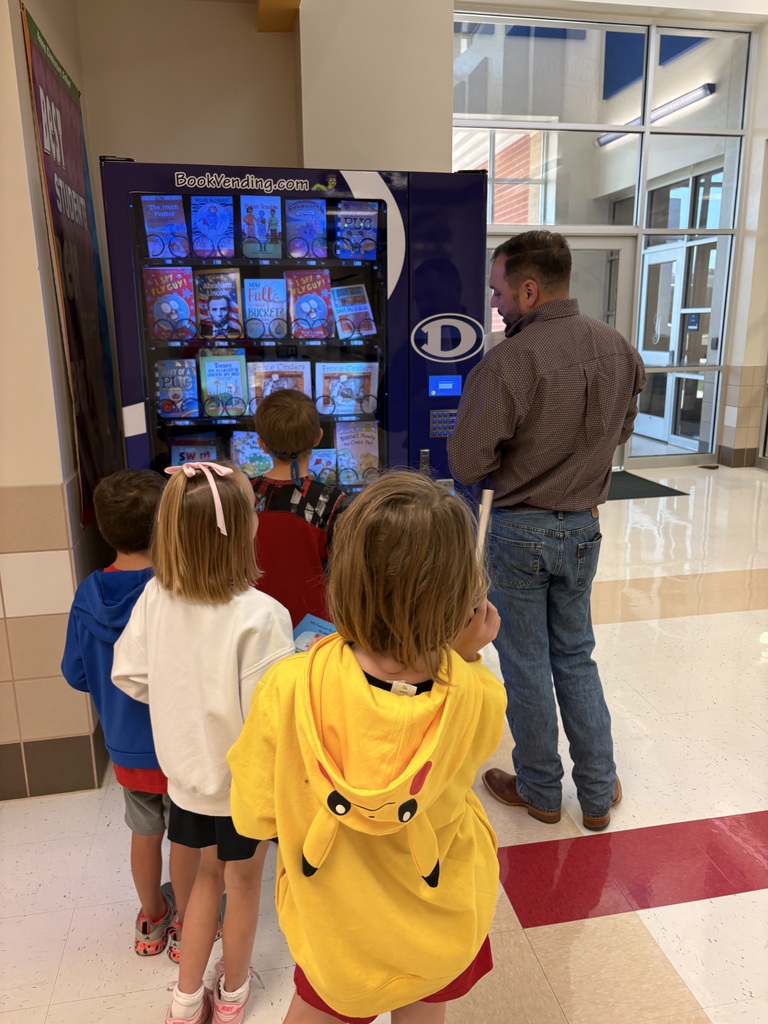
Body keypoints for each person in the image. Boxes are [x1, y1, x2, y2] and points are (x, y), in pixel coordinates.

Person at [227, 471, 507, 1024]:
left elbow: (254, 811)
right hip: (439, 917)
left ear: (346, 575)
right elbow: (461, 756)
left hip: (339, 930)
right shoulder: (478, 693)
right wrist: (466, 658)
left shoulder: (291, 685)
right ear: (462, 595)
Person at [447, 230, 646, 832]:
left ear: (529, 290)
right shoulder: (620, 350)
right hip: (583, 530)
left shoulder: (507, 363)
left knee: (527, 663)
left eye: (499, 293)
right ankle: (595, 790)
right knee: (577, 657)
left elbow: (466, 461)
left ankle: (538, 789)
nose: (496, 306)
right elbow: (621, 432)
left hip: (518, 534)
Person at [111, 461, 295, 1024]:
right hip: (243, 790)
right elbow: (273, 717)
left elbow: (132, 676)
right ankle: (233, 995)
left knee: (201, 887)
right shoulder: (262, 616)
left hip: (186, 780)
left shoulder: (154, 599)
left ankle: (186, 1001)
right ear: (243, 531)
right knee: (241, 886)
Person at [61, 469, 201, 960]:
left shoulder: (87, 595)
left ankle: (152, 920)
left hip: (126, 748)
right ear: (167, 523)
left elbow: (75, 673)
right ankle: (188, 923)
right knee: (185, 838)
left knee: (144, 833)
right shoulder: (179, 590)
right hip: (181, 747)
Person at [251, 389, 346, 628]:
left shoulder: (243, 494)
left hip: (253, 623)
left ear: (261, 444)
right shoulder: (332, 500)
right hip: (314, 630)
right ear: (317, 438)